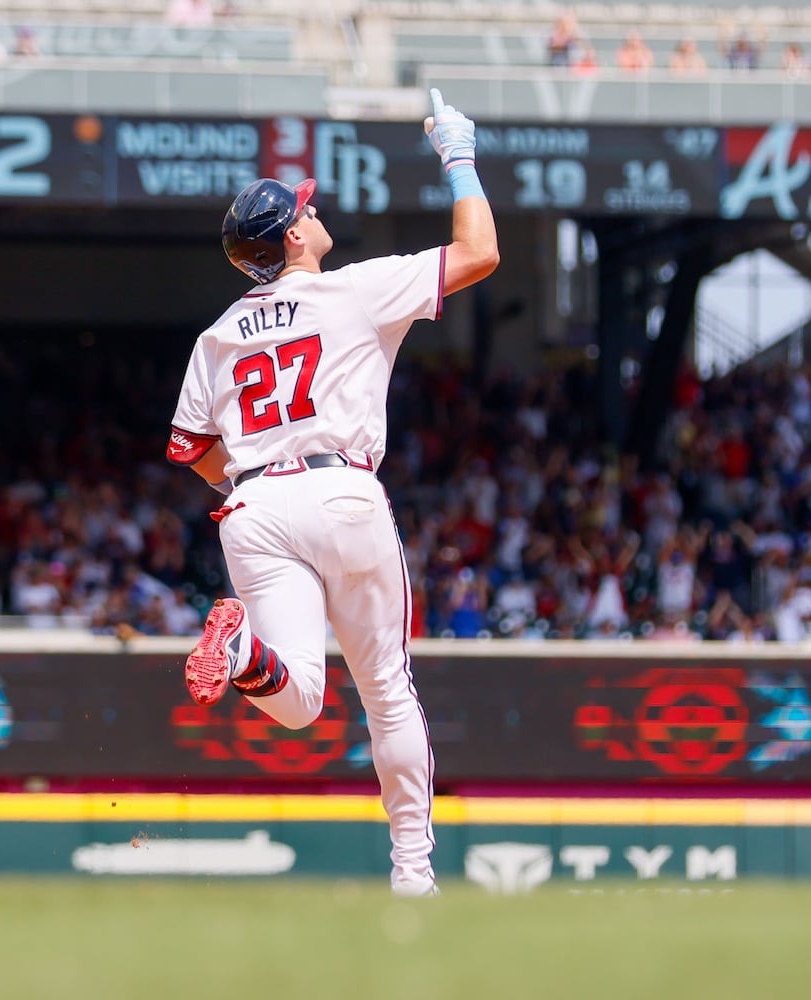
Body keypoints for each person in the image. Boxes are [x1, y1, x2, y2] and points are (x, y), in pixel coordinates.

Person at [166, 88, 498, 897]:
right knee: (385, 688)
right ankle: (413, 874)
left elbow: (189, 449)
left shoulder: (217, 333)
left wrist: (249, 481)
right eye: (303, 212)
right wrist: (458, 157)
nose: (315, 215)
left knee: (300, 703)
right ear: (290, 235)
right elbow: (480, 251)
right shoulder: (352, 289)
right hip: (340, 490)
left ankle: (242, 650)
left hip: (251, 504)